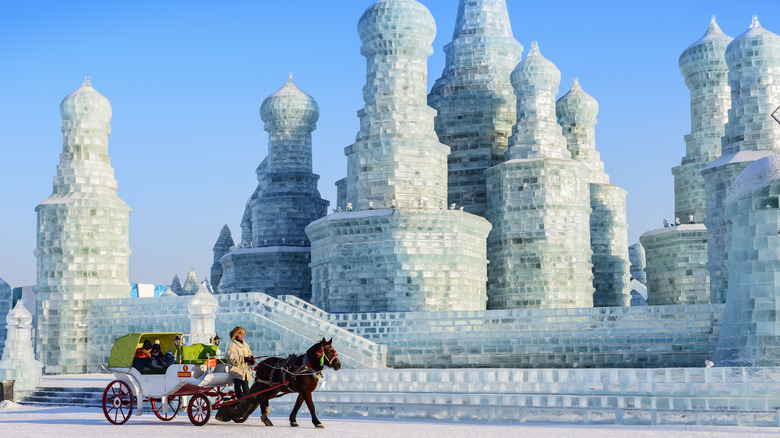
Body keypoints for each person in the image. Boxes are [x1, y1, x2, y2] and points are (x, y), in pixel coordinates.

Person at [227, 326, 255, 399]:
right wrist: (243, 359)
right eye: (240, 334)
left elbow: (249, 353)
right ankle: (240, 401)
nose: (242, 336)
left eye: (242, 334)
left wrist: (251, 359)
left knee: (246, 387)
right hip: (236, 370)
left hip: (245, 370)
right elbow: (231, 358)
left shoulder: (245, 345)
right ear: (235, 335)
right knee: (238, 386)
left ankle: (248, 400)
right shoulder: (232, 345)